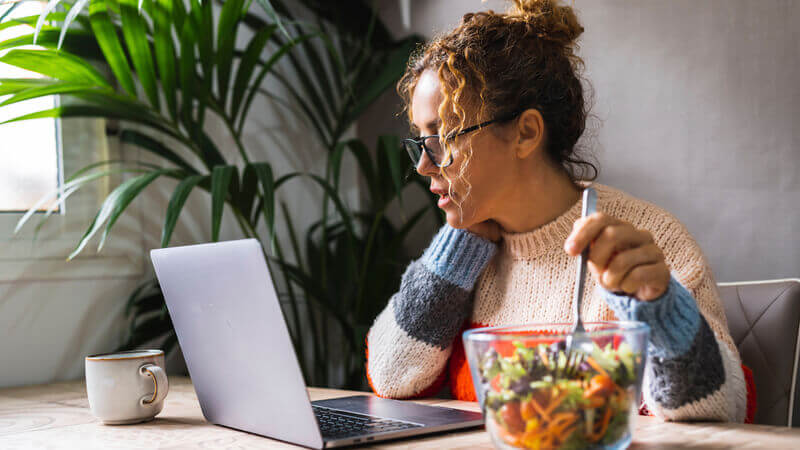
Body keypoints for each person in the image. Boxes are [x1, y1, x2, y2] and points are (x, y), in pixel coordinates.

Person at [365, 0, 748, 422]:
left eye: (443, 139)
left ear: (526, 133)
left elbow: (721, 410)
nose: (423, 164)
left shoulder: (646, 242)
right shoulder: (470, 249)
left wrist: (659, 308)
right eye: (419, 141)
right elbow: (391, 375)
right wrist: (459, 244)